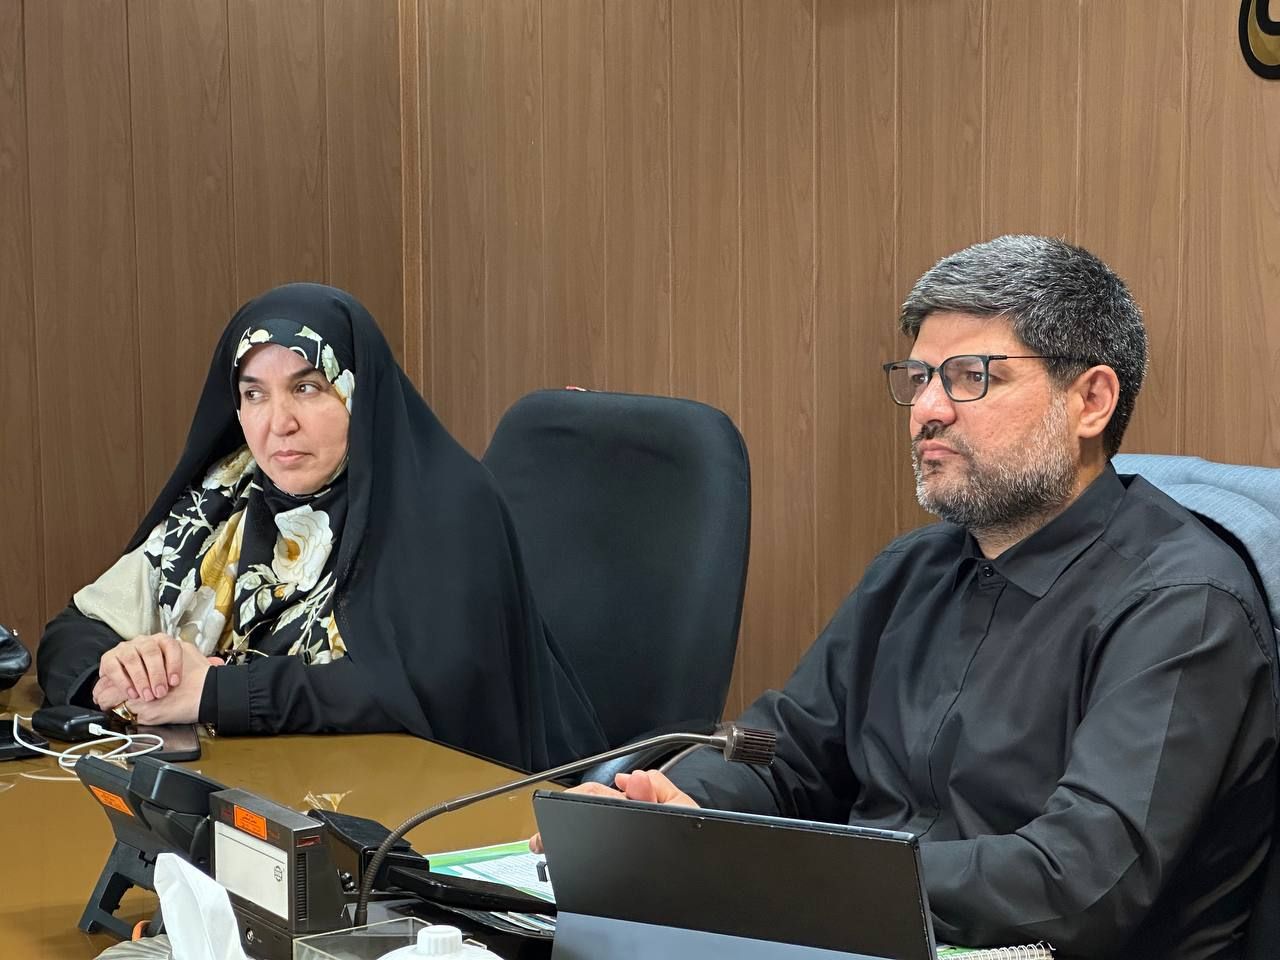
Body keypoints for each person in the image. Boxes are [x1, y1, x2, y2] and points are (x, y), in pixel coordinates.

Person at [534, 236, 1279, 958]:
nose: (928, 409)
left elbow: (1080, 883)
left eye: (971, 376)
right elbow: (787, 755)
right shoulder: (912, 570)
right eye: (920, 377)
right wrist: (683, 811)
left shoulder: (1184, 605)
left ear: (1090, 401)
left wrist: (798, 872)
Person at [38, 282, 606, 771]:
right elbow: (73, 630)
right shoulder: (226, 495)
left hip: (443, 809)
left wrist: (216, 693)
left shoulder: (446, 504)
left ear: (359, 390)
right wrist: (118, 674)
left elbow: (427, 691)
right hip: (262, 791)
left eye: (307, 388)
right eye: (254, 394)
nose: (278, 423)